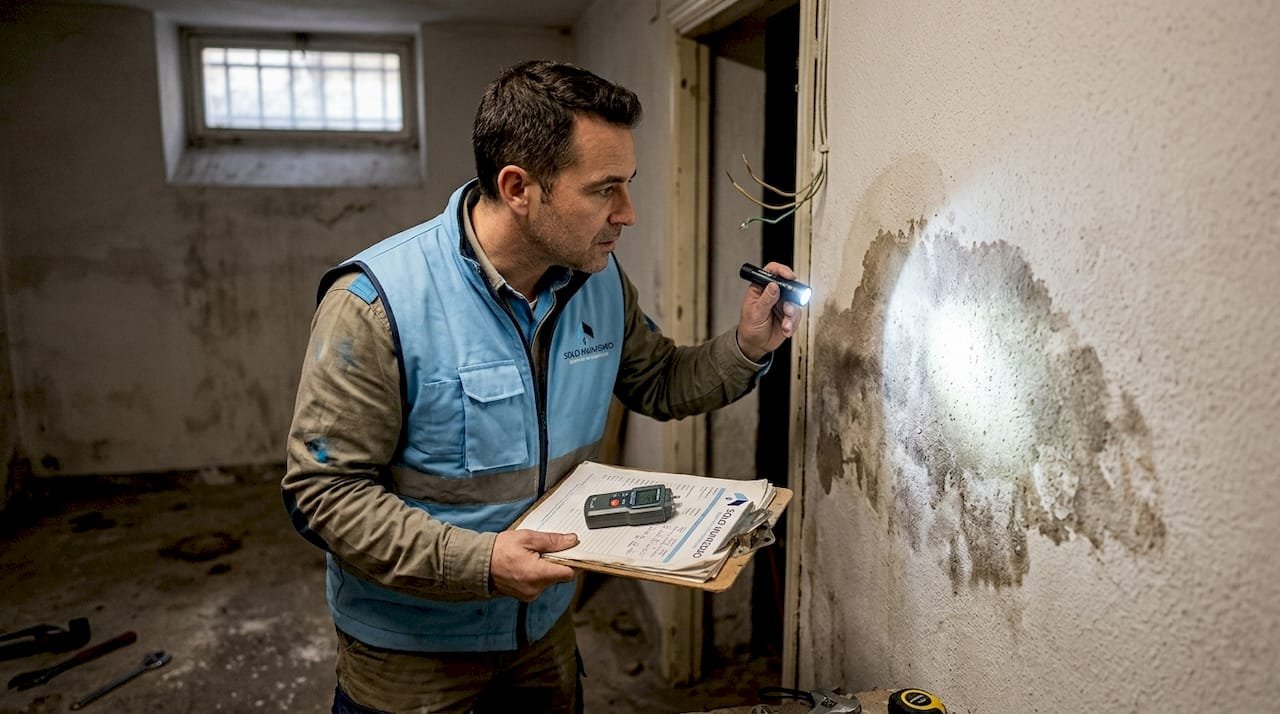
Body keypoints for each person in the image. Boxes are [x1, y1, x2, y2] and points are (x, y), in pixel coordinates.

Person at [282, 59, 801, 714]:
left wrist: (749, 344)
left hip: (544, 632)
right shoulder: (377, 302)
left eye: (628, 185)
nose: (628, 213)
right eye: (604, 189)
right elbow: (322, 495)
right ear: (519, 187)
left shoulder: (598, 283)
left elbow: (660, 381)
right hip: (413, 652)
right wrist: (483, 562)